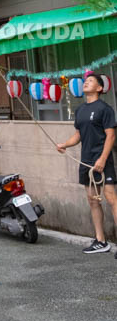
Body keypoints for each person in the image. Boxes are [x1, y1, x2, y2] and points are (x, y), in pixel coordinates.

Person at [56, 71, 117, 256]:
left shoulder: (105, 109)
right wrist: (64, 145)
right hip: (86, 161)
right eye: (85, 81)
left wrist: (102, 159)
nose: (85, 83)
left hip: (102, 160)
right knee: (92, 201)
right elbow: (78, 135)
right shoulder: (81, 110)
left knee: (112, 200)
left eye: (90, 81)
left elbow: (111, 135)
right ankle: (100, 241)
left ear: (99, 88)